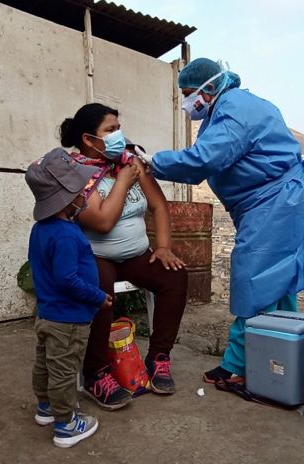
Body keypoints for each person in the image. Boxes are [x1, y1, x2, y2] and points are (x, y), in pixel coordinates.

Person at [147, 58, 304, 384]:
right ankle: (287, 357)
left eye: (190, 95)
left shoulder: (234, 111)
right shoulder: (229, 107)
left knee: (253, 281)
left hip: (275, 205)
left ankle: (238, 366)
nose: (188, 103)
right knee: (279, 284)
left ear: (210, 88)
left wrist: (153, 163)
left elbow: (204, 159)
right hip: (277, 203)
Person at [60, 104, 188, 409]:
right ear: (89, 139)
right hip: (94, 254)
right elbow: (102, 223)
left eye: (119, 127)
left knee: (174, 275)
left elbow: (159, 206)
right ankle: (96, 372)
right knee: (98, 294)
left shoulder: (130, 163)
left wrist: (163, 247)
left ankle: (159, 357)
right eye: (111, 130)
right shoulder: (74, 173)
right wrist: (122, 182)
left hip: (135, 254)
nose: (120, 135)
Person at [25, 148, 113, 448]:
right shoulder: (65, 234)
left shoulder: (42, 229)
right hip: (69, 319)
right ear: (68, 198)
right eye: (82, 191)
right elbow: (67, 279)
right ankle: (66, 424)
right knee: (64, 370)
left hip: (48, 314)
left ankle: (46, 407)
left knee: (46, 364)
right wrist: (98, 296)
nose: (87, 195)